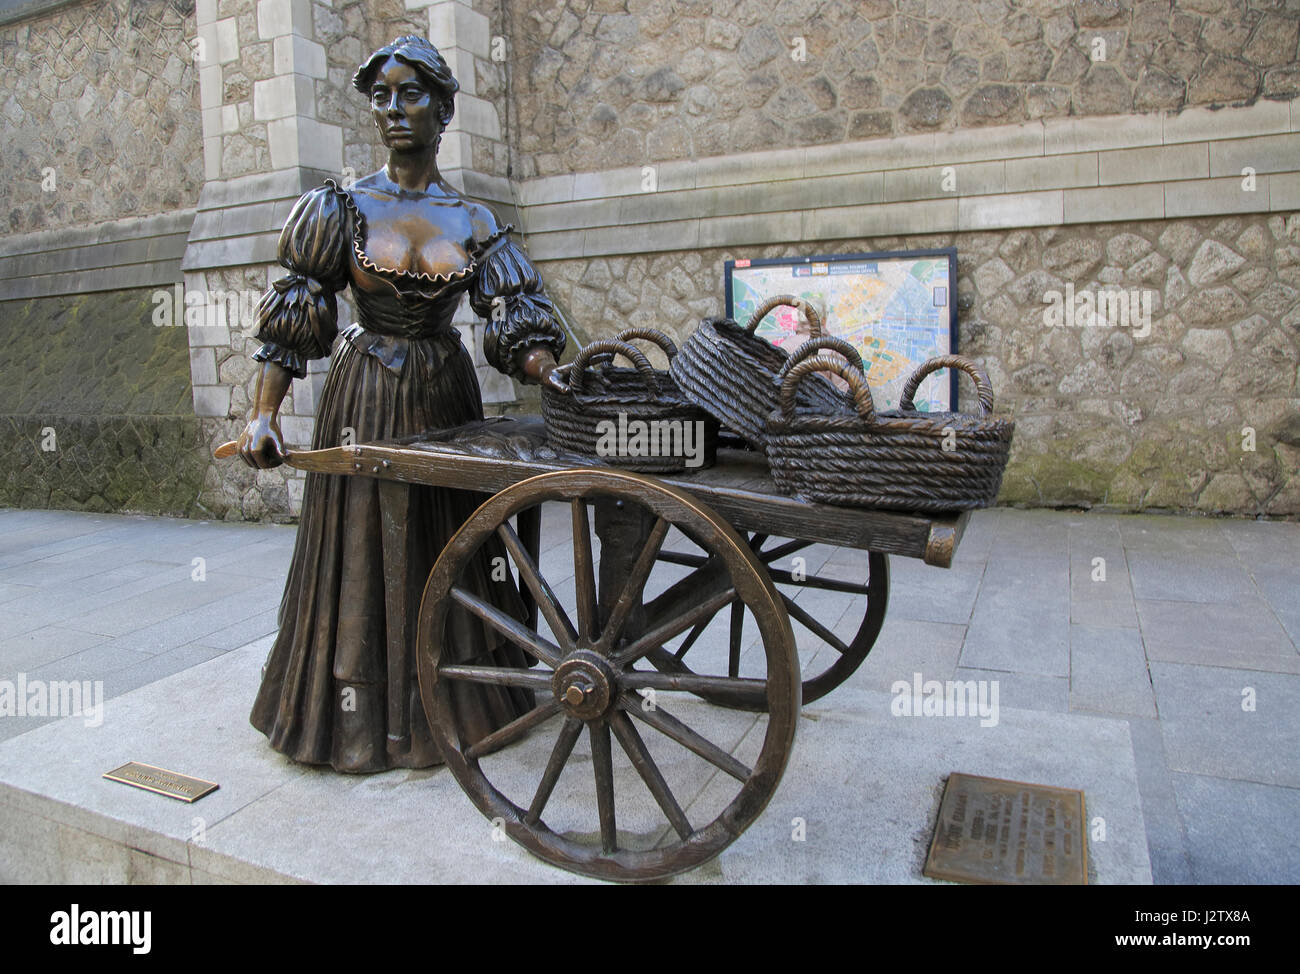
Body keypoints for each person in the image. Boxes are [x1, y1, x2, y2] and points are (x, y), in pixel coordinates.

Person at [234, 35, 567, 773]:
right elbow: (296, 311)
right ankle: (357, 718)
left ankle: (452, 704)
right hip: (367, 393)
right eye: (380, 95)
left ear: (444, 110)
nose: (392, 109)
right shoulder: (341, 207)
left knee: (449, 543)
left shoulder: (474, 221)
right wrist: (262, 411)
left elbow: (515, 316)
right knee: (363, 550)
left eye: (410, 93)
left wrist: (552, 373)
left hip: (446, 396)